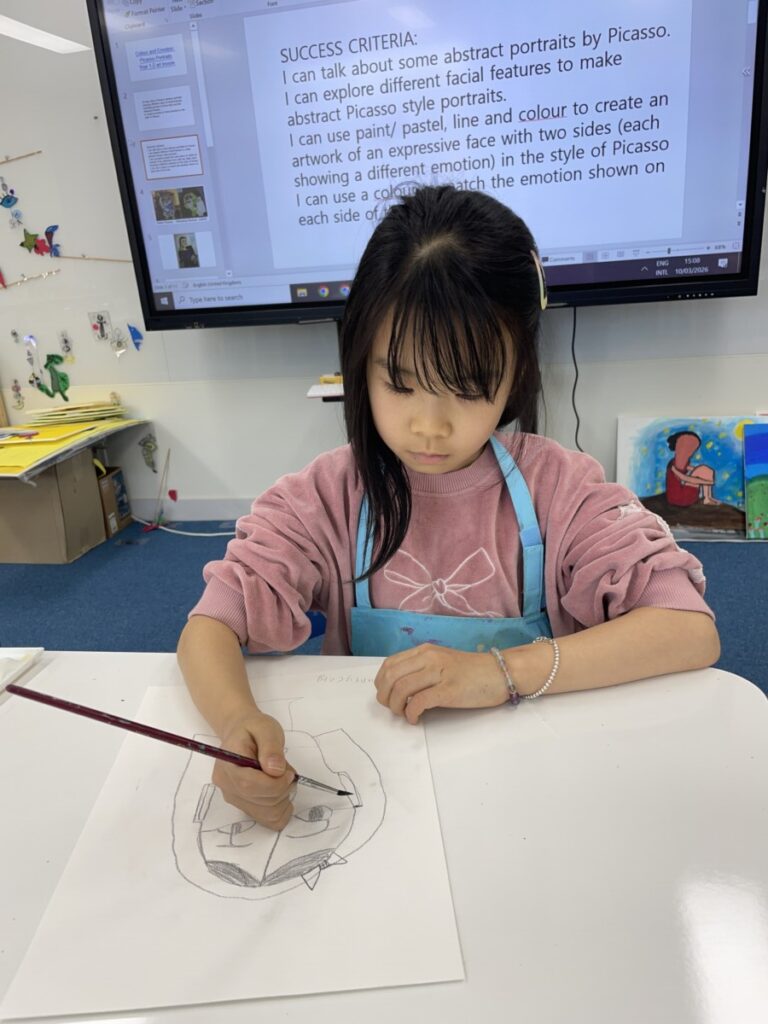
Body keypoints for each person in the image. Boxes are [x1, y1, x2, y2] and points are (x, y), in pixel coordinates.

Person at [178, 185, 720, 832]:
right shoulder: (327, 496)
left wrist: (499, 673)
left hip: (534, 791)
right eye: (399, 382)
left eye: (467, 388)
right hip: (378, 792)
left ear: (516, 376)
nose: (429, 426)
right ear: (359, 363)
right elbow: (210, 627)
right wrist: (237, 723)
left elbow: (688, 628)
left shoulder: (559, 489)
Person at [665, 431, 721, 506]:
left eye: (692, 448)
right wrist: (707, 482)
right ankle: (707, 498)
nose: (689, 451)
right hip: (678, 497)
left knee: (705, 469)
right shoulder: (673, 465)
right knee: (703, 470)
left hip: (687, 494)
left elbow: (696, 469)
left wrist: (705, 474)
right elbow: (684, 478)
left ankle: (708, 498)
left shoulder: (685, 462)